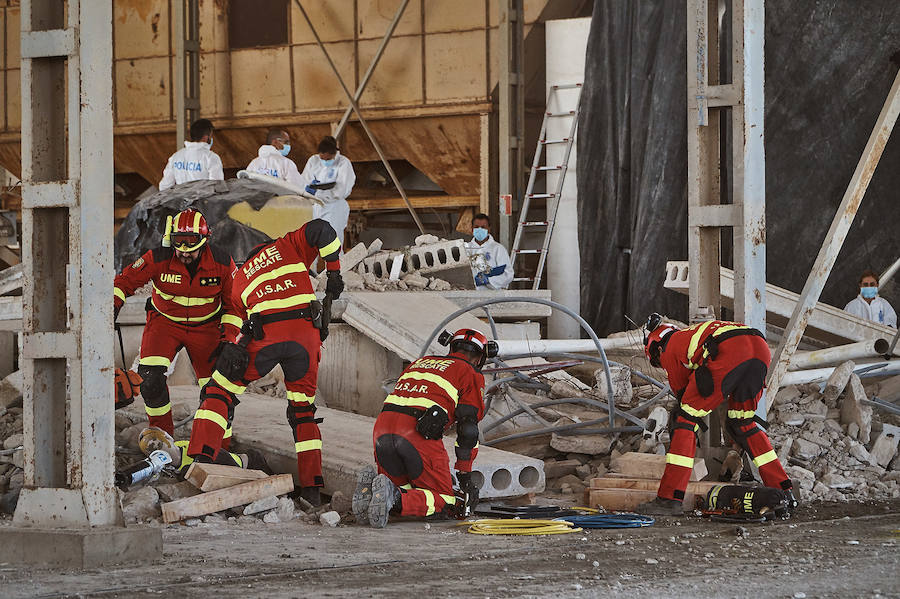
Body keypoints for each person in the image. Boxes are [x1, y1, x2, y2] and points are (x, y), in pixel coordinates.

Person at [186, 218, 344, 505]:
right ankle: (311, 489)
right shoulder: (289, 246)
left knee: (218, 391)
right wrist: (334, 272)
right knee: (302, 412)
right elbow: (324, 228)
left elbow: (241, 321)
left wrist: (228, 349)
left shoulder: (240, 277)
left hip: (266, 334)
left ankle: (202, 456)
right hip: (306, 337)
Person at [635, 314, 796, 516]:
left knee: (684, 420)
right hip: (760, 349)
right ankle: (783, 491)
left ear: (657, 347)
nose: (662, 365)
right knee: (742, 422)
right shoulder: (689, 335)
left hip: (731, 350)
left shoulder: (668, 348)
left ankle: (669, 498)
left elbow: (683, 395)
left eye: (658, 361)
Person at [113, 209, 242, 438]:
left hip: (207, 327)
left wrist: (230, 340)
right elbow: (123, 282)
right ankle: (162, 438)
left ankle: (218, 447)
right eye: (177, 243)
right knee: (150, 380)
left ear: (204, 241)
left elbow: (234, 305)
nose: (183, 252)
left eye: (190, 244)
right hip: (164, 324)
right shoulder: (157, 258)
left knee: (217, 390)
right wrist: (111, 308)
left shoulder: (222, 262)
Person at [354, 328, 495, 528]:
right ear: (479, 357)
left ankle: (377, 496)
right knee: (444, 500)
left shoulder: (420, 363)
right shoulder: (469, 372)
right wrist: (465, 475)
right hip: (417, 434)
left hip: (382, 430)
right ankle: (393, 497)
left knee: (407, 489)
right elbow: (468, 429)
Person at [301, 135, 356, 248]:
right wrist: (308, 190)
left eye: (328, 159)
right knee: (310, 241)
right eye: (322, 159)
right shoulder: (314, 160)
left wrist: (321, 193)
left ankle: (336, 266)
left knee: (333, 241)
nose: (324, 161)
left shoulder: (343, 163)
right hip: (315, 205)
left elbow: (341, 190)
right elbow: (305, 180)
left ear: (334, 154)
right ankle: (311, 266)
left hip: (334, 206)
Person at [159, 119, 224, 191]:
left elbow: (164, 186)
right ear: (206, 137)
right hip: (203, 201)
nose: (211, 138)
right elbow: (217, 187)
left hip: (181, 200)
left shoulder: (176, 157)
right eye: (211, 136)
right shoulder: (211, 158)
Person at [465, 213, 513, 289]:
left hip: (492, 295)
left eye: (483, 227)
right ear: (472, 229)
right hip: (469, 294)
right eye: (476, 227)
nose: (480, 230)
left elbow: (508, 274)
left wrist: (489, 280)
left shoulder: (498, 249)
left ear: (489, 229)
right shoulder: (466, 249)